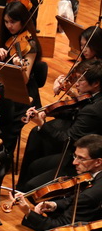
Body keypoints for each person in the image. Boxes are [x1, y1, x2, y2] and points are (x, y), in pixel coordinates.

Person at [16, 59, 102, 191]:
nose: (75, 84)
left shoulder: (93, 110)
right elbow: (75, 112)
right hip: (81, 143)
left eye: (80, 80)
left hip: (84, 157)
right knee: (35, 166)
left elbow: (67, 140)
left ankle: (34, 199)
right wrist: (51, 112)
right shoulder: (94, 97)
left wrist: (42, 123)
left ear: (96, 83)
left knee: (32, 183)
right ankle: (21, 192)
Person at [0, 0, 43, 107]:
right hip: (0, 83)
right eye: (6, 22)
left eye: (13, 22)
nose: (9, 26)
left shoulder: (31, 45)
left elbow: (25, 80)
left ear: (22, 20)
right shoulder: (4, 35)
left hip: (20, 91)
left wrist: (19, 68)